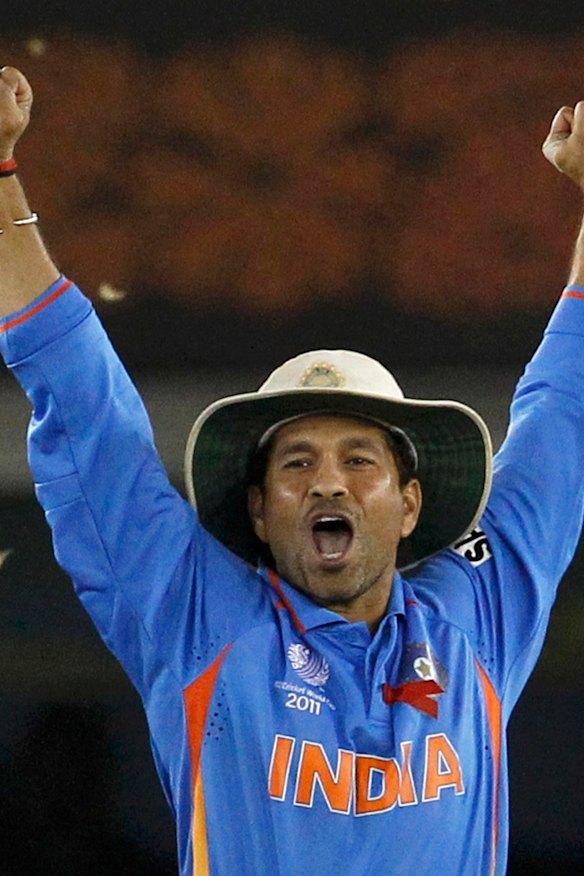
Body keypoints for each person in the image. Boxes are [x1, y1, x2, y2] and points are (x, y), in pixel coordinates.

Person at [0, 65, 582, 876]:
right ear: (260, 511)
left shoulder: (475, 619)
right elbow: (86, 407)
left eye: (360, 459)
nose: (328, 482)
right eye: (297, 463)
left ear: (410, 504)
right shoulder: (197, 613)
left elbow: (566, 411)